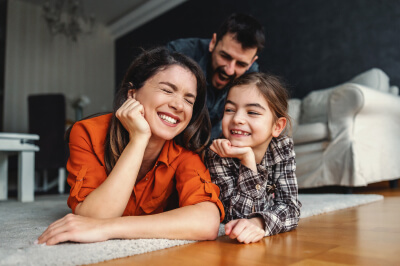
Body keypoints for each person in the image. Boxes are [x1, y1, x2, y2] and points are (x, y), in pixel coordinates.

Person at [37, 47, 225, 246]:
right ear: (132, 94)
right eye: (167, 90)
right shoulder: (87, 132)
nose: (179, 106)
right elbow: (94, 216)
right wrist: (139, 138)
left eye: (189, 100)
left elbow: (207, 222)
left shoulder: (184, 151)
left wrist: (110, 228)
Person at [205, 72, 301, 244]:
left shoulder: (283, 147)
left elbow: (291, 208)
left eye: (252, 112)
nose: (237, 119)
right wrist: (247, 160)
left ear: (277, 126)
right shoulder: (217, 152)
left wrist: (259, 222)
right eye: (230, 110)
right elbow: (235, 218)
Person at [167, 13, 265, 141]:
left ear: (251, 62)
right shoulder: (178, 54)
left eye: (241, 64)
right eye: (225, 56)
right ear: (213, 42)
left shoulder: (253, 78)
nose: (229, 70)